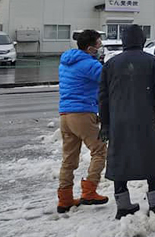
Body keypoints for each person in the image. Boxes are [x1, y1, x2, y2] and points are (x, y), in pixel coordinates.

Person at [98, 25, 155, 219]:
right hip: (145, 119)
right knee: (150, 157)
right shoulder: (152, 61)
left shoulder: (110, 64)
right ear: (142, 40)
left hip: (118, 121)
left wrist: (106, 124)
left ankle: (123, 205)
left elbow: (103, 96)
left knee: (120, 159)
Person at [57, 29, 108, 213]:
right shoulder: (89, 64)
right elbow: (108, 80)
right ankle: (89, 191)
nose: (100, 47)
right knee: (100, 150)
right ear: (90, 48)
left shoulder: (65, 62)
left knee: (69, 159)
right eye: (98, 44)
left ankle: (65, 199)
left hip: (65, 115)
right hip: (83, 113)